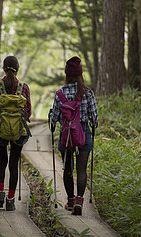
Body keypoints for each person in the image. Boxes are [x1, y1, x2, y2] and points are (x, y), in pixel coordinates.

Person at [50, 56, 98, 215]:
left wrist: (53, 119)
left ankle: (70, 201)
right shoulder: (88, 93)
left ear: (67, 74)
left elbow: (54, 117)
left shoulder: (60, 93)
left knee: (68, 168)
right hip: (83, 132)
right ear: (80, 74)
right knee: (82, 169)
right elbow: (94, 118)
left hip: (67, 134)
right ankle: (79, 200)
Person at [0, 56, 32, 211]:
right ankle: (11, 200)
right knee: (13, 165)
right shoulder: (23, 87)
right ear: (17, 69)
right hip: (18, 131)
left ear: (3, 68)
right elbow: (28, 112)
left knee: (2, 162)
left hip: (0, 130)